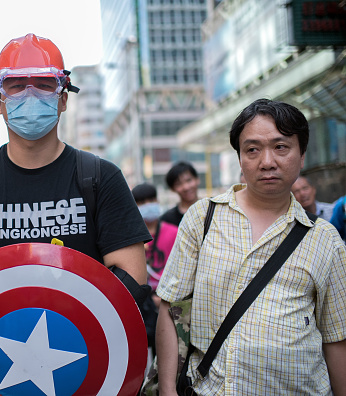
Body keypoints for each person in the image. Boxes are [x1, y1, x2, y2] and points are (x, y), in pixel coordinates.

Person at [0, 34, 150, 309]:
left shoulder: (102, 177)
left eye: (44, 86)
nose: (30, 95)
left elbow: (131, 279)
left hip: (82, 343)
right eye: (16, 86)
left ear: (63, 100)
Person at [155, 99, 346, 395]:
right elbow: (169, 308)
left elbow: (336, 338)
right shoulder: (203, 218)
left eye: (281, 147)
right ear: (240, 158)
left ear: (302, 155)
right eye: (253, 149)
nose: (267, 161)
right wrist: (167, 391)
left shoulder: (325, 239)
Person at [132, 182, 178, 352]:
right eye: (142, 202)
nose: (148, 205)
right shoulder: (132, 236)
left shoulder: (174, 232)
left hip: (168, 302)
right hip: (144, 304)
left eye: (151, 199)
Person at [160, 161, 200, 226]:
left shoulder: (213, 210)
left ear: (197, 179)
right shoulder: (167, 220)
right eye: (178, 184)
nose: (186, 187)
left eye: (188, 180)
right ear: (172, 189)